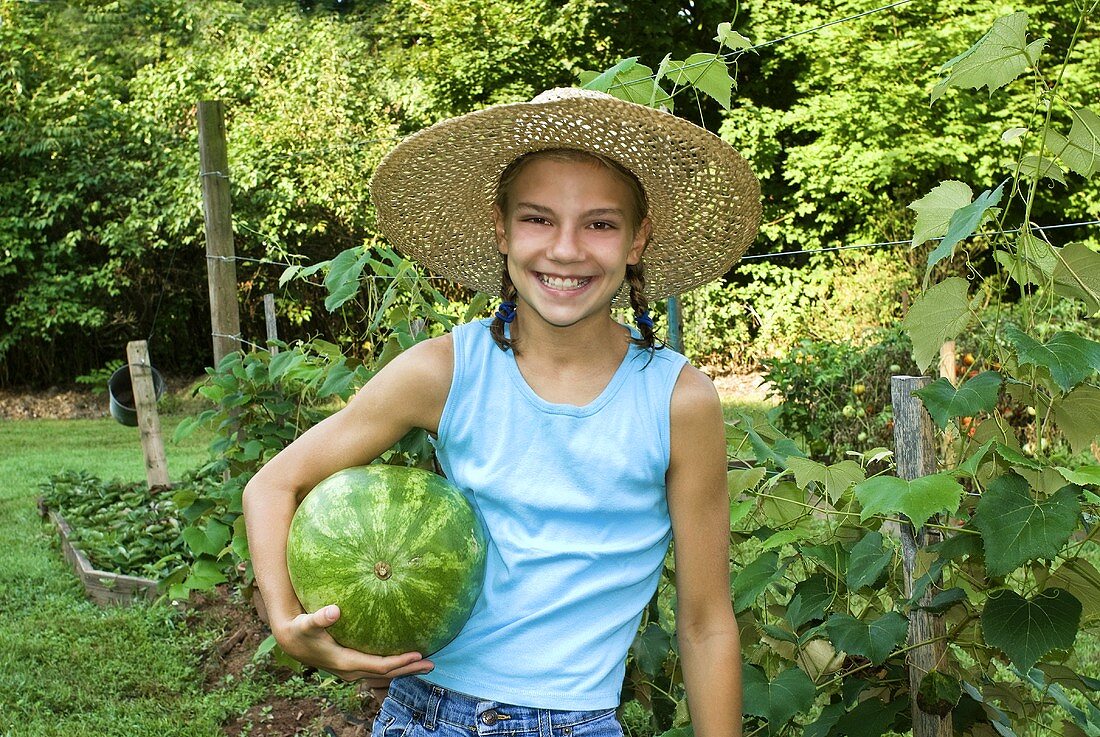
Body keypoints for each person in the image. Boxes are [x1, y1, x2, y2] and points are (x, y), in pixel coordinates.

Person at [242, 87, 761, 737]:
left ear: (637, 239)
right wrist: (292, 630)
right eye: (539, 219)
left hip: (576, 721)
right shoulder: (445, 371)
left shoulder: (677, 401)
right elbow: (272, 484)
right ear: (501, 229)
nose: (566, 249)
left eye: (599, 223)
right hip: (420, 714)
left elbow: (707, 622)